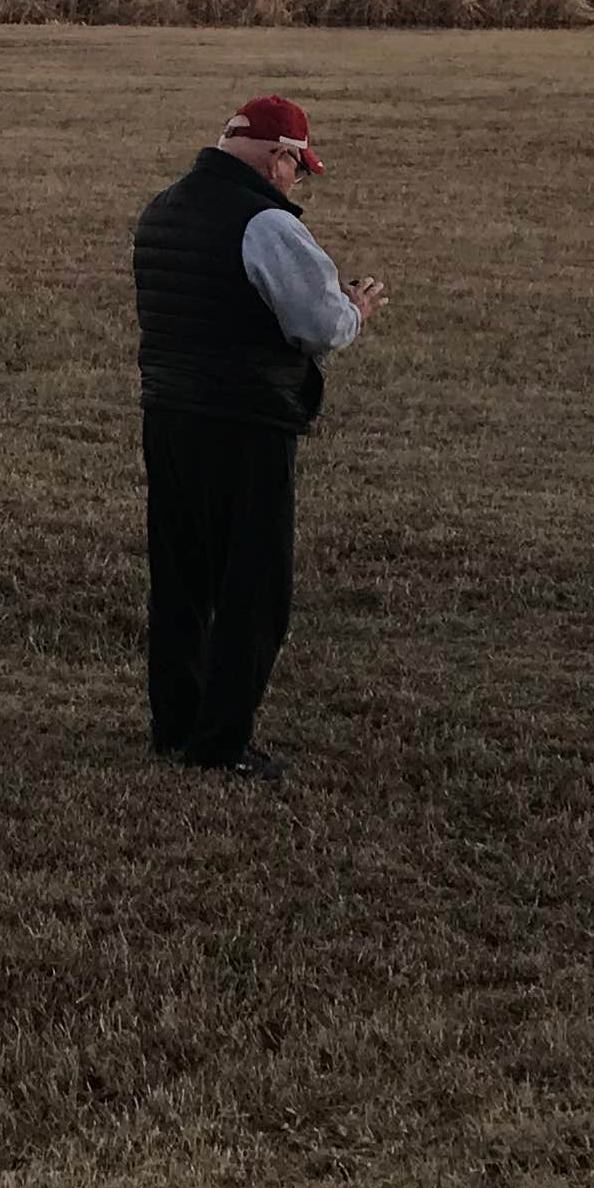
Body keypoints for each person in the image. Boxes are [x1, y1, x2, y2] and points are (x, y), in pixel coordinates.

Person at [130, 95, 388, 780]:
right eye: (299, 170)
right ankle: (221, 742)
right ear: (280, 158)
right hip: (245, 421)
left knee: (182, 577)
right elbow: (317, 324)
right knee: (253, 587)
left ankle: (174, 725)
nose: (296, 184)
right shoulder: (267, 225)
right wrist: (354, 311)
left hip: (169, 412)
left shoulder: (164, 208)